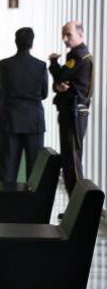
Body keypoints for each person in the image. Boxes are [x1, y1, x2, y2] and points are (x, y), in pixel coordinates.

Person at [49, 21, 93, 199]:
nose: (65, 39)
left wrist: (53, 62)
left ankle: (77, 207)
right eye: (64, 35)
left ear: (80, 35)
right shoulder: (80, 55)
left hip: (73, 114)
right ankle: (73, 207)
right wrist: (58, 84)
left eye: (69, 35)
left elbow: (60, 76)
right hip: (72, 112)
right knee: (69, 160)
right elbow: (59, 83)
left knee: (72, 162)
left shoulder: (77, 55)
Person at [0, 27, 48, 182]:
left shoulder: (5, 64)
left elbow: (3, 91)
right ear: (32, 43)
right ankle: (31, 204)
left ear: (16, 42)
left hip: (11, 119)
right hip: (34, 120)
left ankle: (6, 202)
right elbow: (44, 93)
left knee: (9, 166)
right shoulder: (40, 66)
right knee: (34, 168)